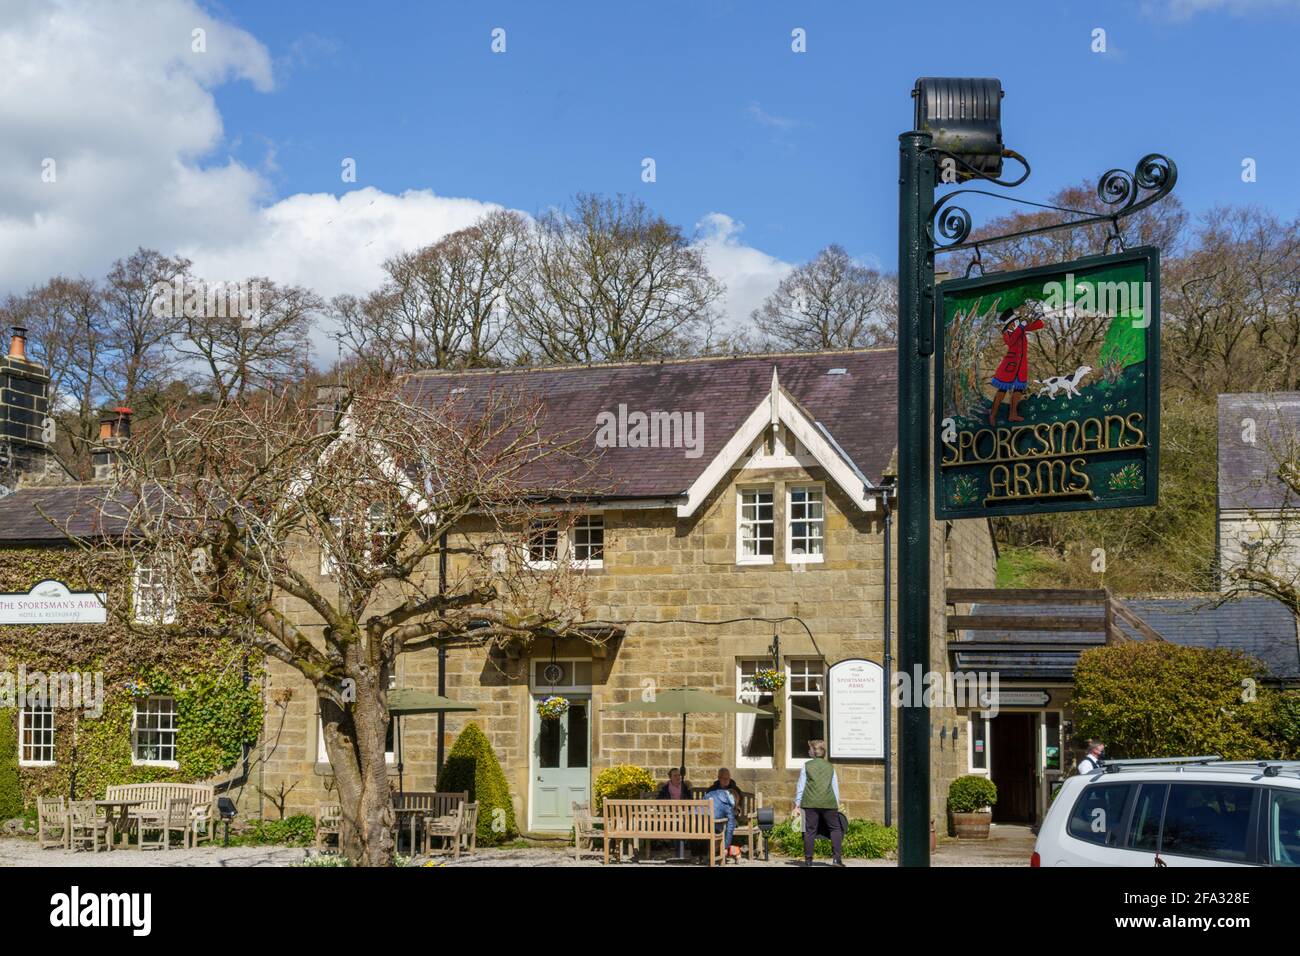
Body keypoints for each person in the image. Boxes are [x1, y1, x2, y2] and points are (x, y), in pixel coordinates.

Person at [988, 307, 1045, 425]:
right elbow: (1011, 341)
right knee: (1002, 390)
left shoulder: (1021, 329)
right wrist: (1021, 326)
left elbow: (1040, 325)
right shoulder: (1007, 334)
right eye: (1015, 322)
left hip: (1021, 366)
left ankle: (1013, 414)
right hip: (1009, 367)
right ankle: (993, 415)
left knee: (1018, 389)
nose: (1017, 323)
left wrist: (1036, 317)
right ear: (1009, 324)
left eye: (1018, 322)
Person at [794, 739, 845, 866]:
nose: (808, 751)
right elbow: (835, 787)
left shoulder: (807, 765)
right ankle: (836, 859)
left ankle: (808, 861)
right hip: (829, 802)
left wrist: (797, 803)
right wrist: (837, 803)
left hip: (809, 803)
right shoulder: (830, 766)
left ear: (813, 752)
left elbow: (801, 786)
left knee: (809, 831)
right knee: (835, 829)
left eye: (810, 749)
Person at [706, 768, 739, 856]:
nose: (726, 780)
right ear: (719, 778)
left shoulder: (735, 789)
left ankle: (722, 849)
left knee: (727, 825)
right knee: (716, 826)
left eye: (728, 778)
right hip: (715, 817)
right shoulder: (712, 790)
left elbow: (739, 805)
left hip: (731, 816)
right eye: (724, 778)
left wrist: (735, 812)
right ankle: (718, 850)